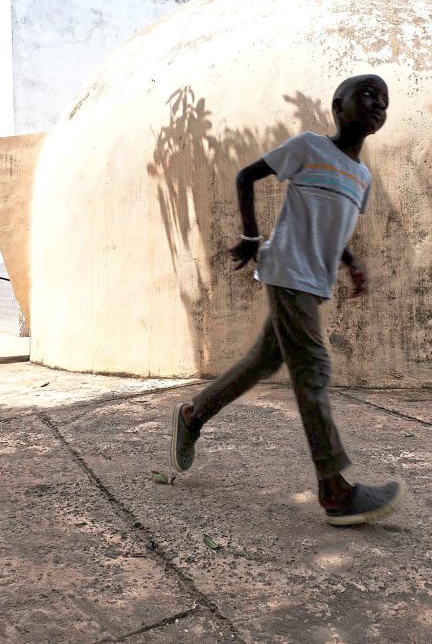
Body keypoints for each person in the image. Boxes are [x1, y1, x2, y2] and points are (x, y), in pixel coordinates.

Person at [169, 73, 405, 527]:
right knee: (312, 367)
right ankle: (334, 489)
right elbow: (247, 176)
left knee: (264, 361)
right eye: (367, 95)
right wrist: (251, 236)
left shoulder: (361, 177)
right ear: (338, 108)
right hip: (285, 269)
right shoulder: (309, 148)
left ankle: (193, 415)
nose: (377, 104)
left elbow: (332, 225)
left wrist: (350, 262)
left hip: (313, 279)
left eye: (384, 100)